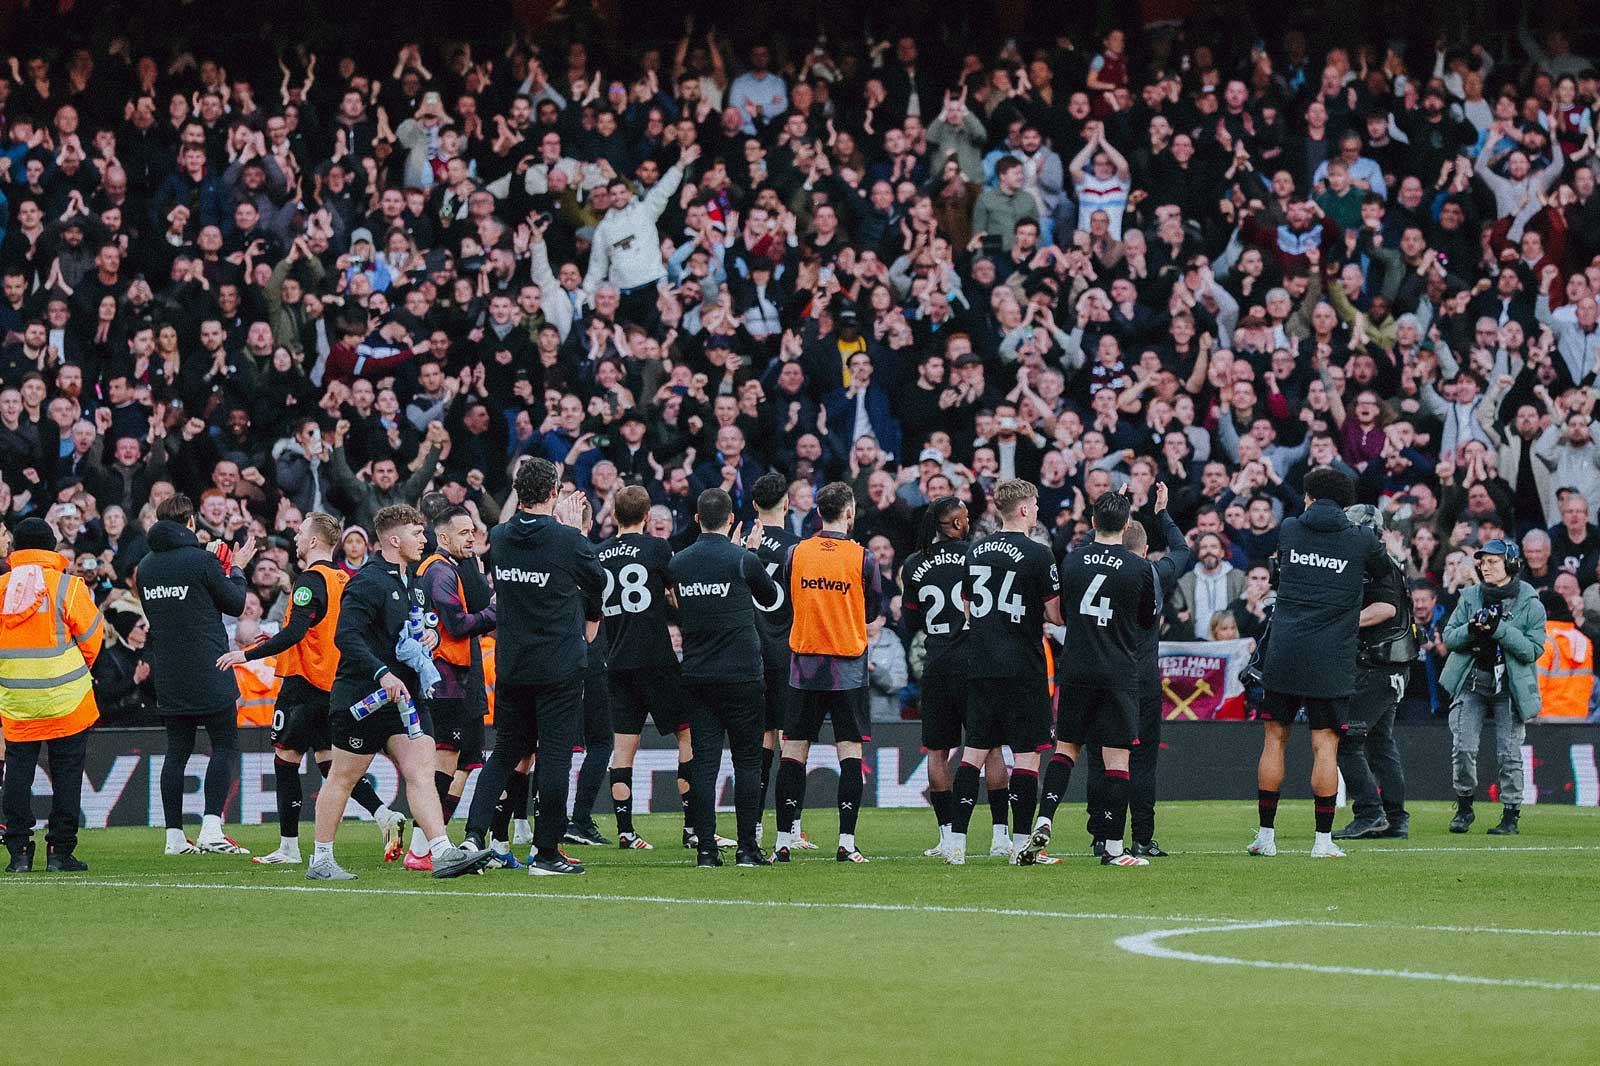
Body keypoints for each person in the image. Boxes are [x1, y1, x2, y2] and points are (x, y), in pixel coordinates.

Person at [307, 504, 492, 881]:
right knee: (342, 776)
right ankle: (320, 859)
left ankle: (441, 851)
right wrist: (381, 674)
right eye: (416, 533)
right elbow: (347, 637)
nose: (423, 539)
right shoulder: (368, 581)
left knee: (422, 771)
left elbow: (415, 632)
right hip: (363, 697)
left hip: (406, 697)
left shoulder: (414, 582)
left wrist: (432, 636)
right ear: (394, 540)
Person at [215, 511, 404, 866]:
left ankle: (288, 848)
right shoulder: (344, 579)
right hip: (335, 682)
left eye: (301, 532)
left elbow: (295, 633)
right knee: (329, 763)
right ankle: (383, 815)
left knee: (285, 759)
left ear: (315, 540)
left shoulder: (308, 581)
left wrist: (246, 653)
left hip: (303, 682)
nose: (297, 538)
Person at [461, 459, 604, 876]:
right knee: (555, 755)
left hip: (513, 664)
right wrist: (577, 533)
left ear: (518, 491)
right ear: (554, 492)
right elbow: (597, 581)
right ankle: (546, 853)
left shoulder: (501, 537)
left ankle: (473, 836)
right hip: (558, 665)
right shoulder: (566, 539)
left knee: (505, 751)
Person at [1249, 468, 1390, 860]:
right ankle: (1322, 842)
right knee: (1324, 744)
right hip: (1332, 655)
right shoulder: (1361, 539)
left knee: (1274, 738)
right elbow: (1383, 572)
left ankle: (1265, 837)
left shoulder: (1291, 529)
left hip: (1286, 650)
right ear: (1348, 505)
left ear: (1309, 497)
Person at [1020, 488, 1156, 867]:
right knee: (1117, 761)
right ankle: (1113, 848)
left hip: (1077, 668)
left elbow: (1060, 612)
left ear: (1093, 522)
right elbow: (1146, 620)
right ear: (1127, 524)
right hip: (1118, 672)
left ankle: (1044, 820)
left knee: (1066, 750)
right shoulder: (1139, 568)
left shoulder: (1073, 561)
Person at [943, 479, 1067, 866]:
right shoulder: (1038, 553)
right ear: (1025, 509)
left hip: (980, 662)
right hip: (1023, 664)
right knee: (1027, 755)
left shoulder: (975, 550)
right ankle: (1021, 846)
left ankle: (956, 844)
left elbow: (965, 605)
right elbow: (1054, 613)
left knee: (974, 751)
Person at [136, 494, 257, 856]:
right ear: (190, 522)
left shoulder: (145, 567)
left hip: (169, 672)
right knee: (224, 744)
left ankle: (174, 837)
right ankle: (210, 829)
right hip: (209, 666)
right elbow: (234, 603)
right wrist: (235, 568)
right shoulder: (201, 560)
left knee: (177, 752)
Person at [772, 481, 884, 864]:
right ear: (849, 512)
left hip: (804, 666)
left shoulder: (796, 553)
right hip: (847, 667)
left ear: (819, 513)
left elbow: (788, 598)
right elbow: (871, 611)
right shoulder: (863, 558)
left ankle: (784, 840)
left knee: (794, 751)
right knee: (849, 752)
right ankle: (847, 842)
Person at [668, 488, 781, 868]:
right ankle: (748, 849)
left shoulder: (679, 562)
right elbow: (769, 598)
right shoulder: (743, 559)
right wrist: (753, 553)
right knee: (748, 763)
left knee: (704, 764)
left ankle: (705, 851)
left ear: (697, 519)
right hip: (742, 674)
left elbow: (676, 603)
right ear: (731, 519)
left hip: (698, 674)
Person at [1082, 482, 1190, 857]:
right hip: (1141, 679)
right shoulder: (1154, 573)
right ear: (1144, 550)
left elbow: (1084, 546)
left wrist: (1112, 506)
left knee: (1100, 758)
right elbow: (1182, 550)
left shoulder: (1085, 563)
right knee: (1141, 760)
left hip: (1100, 673)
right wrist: (1162, 513)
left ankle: (1100, 834)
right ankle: (1142, 835)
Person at [599, 484, 702, 851]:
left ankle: (626, 831)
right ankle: (692, 828)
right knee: (687, 735)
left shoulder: (599, 553)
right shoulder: (657, 548)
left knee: (624, 745)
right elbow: (675, 589)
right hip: (657, 659)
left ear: (614, 515)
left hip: (617, 661)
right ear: (646, 518)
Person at [0, 518, 102, 873]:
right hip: (66, 699)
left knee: (16, 773)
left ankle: (18, 853)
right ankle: (59, 852)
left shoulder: (1, 587)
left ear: (16, 548)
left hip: (17, 701)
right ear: (51, 548)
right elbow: (92, 636)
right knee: (67, 776)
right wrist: (79, 665)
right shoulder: (68, 587)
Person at [1439, 539, 1548, 837]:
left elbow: (1532, 650)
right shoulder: (1471, 596)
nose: (1485, 568)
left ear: (1511, 564)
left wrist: (1499, 629)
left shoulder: (1530, 602)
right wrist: (1472, 628)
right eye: (1483, 562)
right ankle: (1464, 807)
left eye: (1493, 562)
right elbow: (1449, 638)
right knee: (1462, 748)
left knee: (1509, 753)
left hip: (1509, 686)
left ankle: (1511, 814)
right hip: (1473, 680)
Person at [410, 504, 497, 862]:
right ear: (443, 537)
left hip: (459, 677)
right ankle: (423, 847)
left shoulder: (453, 568)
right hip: (446, 680)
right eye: (464, 533)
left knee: (462, 759)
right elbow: (459, 624)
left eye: (474, 532)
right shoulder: (440, 571)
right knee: (445, 759)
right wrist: (498, 611)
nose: (472, 538)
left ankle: (429, 842)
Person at [1332, 505, 1416, 841]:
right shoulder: (1383, 562)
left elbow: (1386, 608)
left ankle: (1370, 812)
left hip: (1377, 666)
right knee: (1381, 744)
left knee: (1346, 742)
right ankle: (1396, 817)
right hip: (1390, 667)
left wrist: (1341, 622)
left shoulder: (1378, 565)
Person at [750, 472, 799, 827]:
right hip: (786, 652)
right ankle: (791, 825)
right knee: (790, 740)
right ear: (787, 503)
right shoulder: (798, 549)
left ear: (754, 505)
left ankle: (754, 821)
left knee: (760, 739)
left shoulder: (741, 546)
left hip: (749, 651)